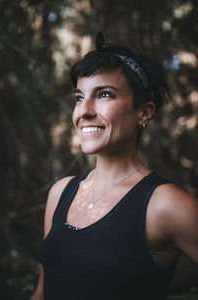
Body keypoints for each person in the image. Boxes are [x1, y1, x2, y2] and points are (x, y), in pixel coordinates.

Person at [30, 32, 198, 300]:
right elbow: (42, 292)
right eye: (78, 97)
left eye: (104, 95)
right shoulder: (60, 192)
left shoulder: (164, 204)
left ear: (144, 112)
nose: (84, 111)